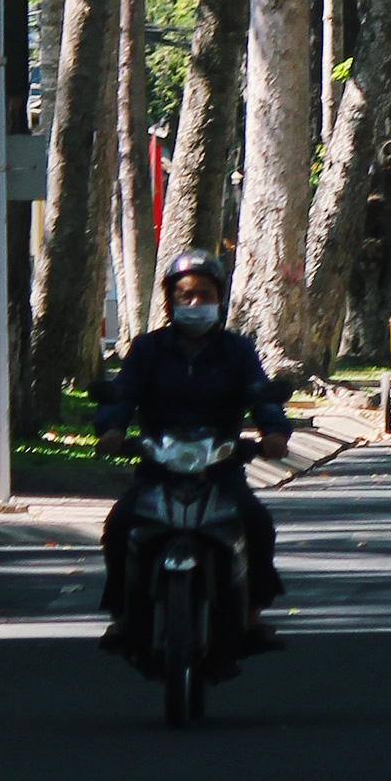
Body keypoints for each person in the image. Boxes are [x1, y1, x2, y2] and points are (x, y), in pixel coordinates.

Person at [95, 248, 291, 653]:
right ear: (171, 302)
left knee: (256, 522)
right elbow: (123, 393)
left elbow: (261, 394)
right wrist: (112, 429)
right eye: (186, 295)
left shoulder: (237, 351)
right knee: (119, 525)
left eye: (205, 294)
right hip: (157, 468)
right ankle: (123, 616)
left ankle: (252, 616)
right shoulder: (148, 349)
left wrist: (273, 432)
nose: (196, 302)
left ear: (219, 299)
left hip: (221, 469)